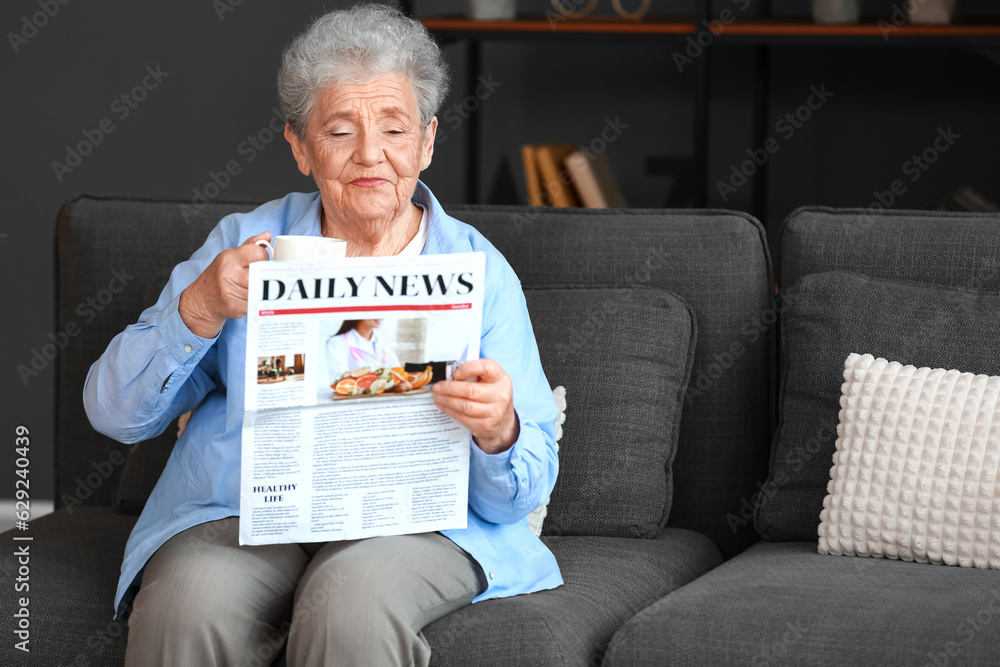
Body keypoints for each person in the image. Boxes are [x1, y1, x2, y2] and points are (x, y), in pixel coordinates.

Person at [83, 5, 561, 666]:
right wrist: (198, 307)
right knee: (185, 606)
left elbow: (520, 494)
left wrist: (498, 430)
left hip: (414, 522)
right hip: (249, 508)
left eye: (394, 128)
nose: (371, 154)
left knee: (351, 602)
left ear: (425, 142)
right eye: (340, 131)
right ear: (301, 148)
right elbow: (113, 415)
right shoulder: (242, 246)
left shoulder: (481, 272)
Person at [326, 318, 401, 374]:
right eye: (375, 310)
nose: (381, 316)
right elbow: (339, 378)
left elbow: (397, 371)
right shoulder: (337, 342)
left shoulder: (384, 340)